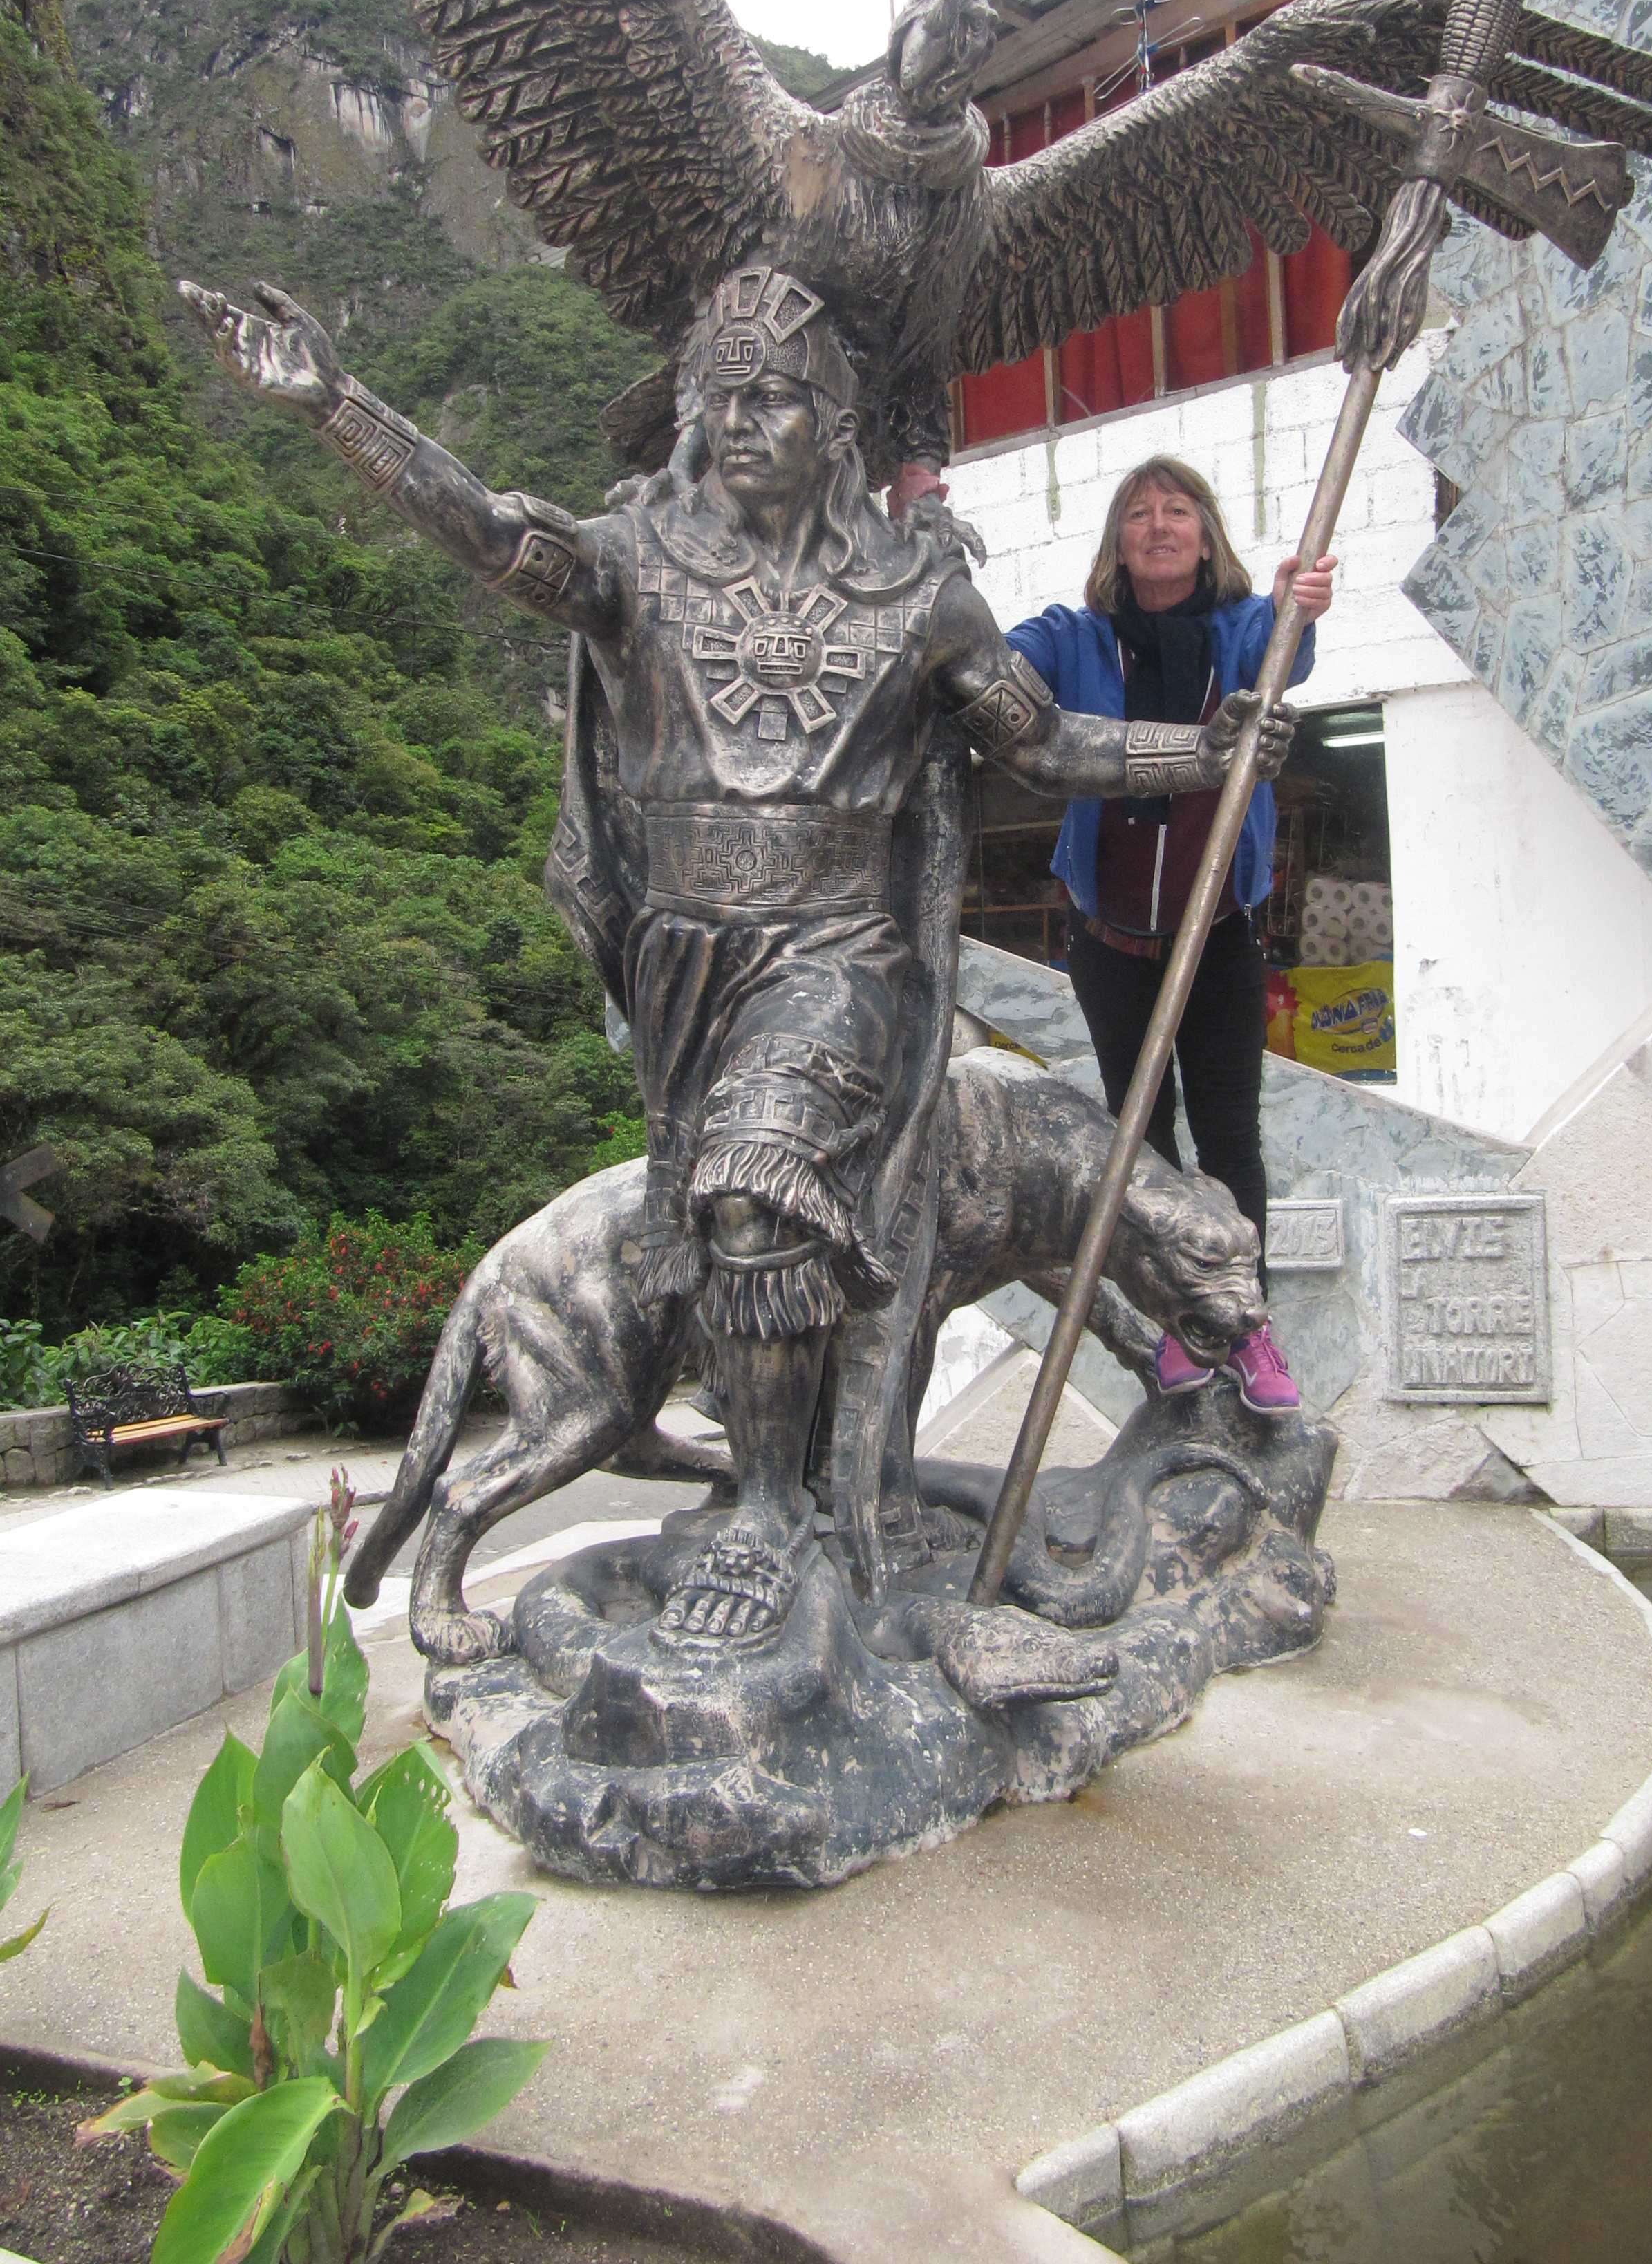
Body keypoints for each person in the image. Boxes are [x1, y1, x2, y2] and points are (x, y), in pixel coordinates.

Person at [186, 266, 1294, 1645]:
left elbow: (1046, 741)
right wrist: (335, 404)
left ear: (835, 422)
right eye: (720, 399)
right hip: (685, 964)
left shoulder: (918, 593)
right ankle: (808, 1480)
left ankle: (770, 1516)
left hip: (843, 951)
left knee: (757, 1190)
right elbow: (494, 536)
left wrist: (1205, 750)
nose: (739, 422)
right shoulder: (640, 560)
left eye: (771, 397)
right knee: (719, 1230)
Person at [1009, 458, 1335, 1416]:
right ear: (1117, 541)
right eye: (1140, 513)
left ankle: (1248, 1327)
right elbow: (996, 660)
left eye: (1179, 510)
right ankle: (1175, 1327)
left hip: (1217, 937)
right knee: (1140, 1143)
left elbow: (1284, 656)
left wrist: (1298, 608)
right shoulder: (1076, 638)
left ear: (1206, 534)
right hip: (1111, 944)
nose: (1159, 526)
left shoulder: (1240, 630)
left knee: (1230, 1137)